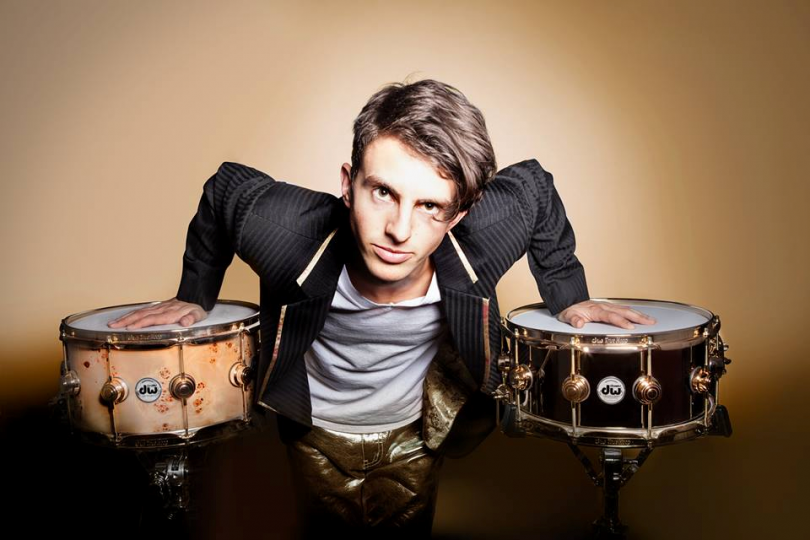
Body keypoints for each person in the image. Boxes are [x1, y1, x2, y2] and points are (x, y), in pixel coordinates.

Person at [107, 79, 654, 537]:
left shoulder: (486, 233)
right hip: (314, 428)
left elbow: (534, 185)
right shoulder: (283, 231)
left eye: (430, 205)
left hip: (419, 429)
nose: (399, 230)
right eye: (383, 192)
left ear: (460, 215)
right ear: (348, 185)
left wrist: (569, 292)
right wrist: (195, 291)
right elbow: (226, 187)